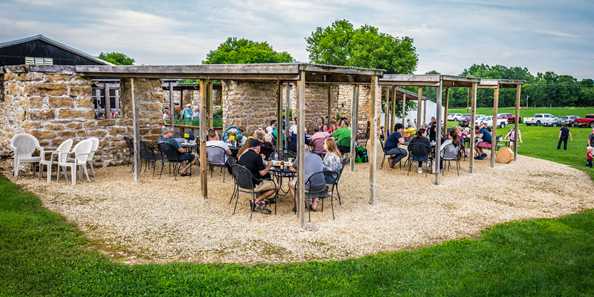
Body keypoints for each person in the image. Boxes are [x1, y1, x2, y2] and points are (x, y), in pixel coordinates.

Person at [237, 139, 276, 214]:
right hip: (253, 183)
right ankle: (256, 201)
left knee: (266, 180)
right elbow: (262, 173)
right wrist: (269, 166)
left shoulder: (243, 155)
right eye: (260, 147)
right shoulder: (257, 156)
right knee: (275, 187)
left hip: (241, 182)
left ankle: (261, 202)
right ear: (257, 147)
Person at [289, 145, 326, 211]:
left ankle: (299, 206)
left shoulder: (300, 156)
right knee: (313, 178)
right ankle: (314, 204)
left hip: (310, 185)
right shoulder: (318, 156)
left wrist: (295, 169)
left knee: (291, 184)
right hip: (322, 185)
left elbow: (293, 167)